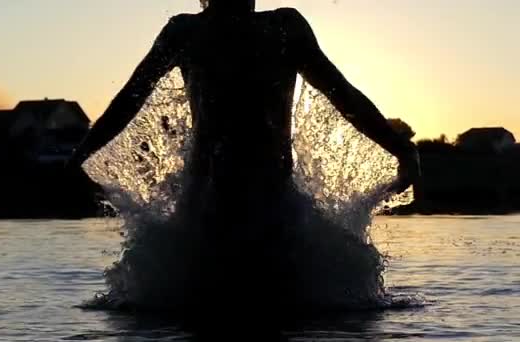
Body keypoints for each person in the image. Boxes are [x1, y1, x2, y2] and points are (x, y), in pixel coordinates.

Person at [66, 0, 420, 320]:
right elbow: (131, 97)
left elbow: (342, 94)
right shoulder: (196, 31)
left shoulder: (274, 27)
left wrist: (400, 147)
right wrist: (81, 154)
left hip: (250, 207)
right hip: (223, 208)